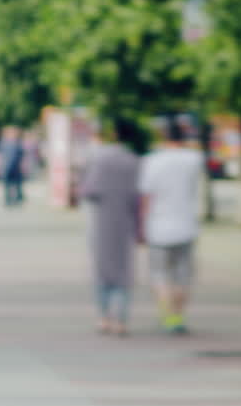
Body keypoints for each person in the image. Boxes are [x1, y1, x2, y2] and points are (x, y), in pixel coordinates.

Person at [138, 118, 204, 335]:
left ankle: (167, 314)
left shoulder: (152, 161)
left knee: (159, 274)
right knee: (183, 275)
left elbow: (146, 197)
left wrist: (141, 225)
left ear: (164, 136)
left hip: (158, 226)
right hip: (186, 225)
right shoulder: (194, 159)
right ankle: (178, 315)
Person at [80, 120, 143, 336]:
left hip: (102, 221)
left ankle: (104, 316)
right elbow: (139, 196)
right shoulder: (134, 162)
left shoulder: (101, 160)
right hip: (126, 221)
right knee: (124, 271)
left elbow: (88, 191)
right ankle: (121, 320)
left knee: (102, 270)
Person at [0, 126, 25, 206]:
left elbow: (21, 155)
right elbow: (0, 156)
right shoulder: (3, 143)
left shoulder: (18, 143)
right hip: (6, 166)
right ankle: (8, 199)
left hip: (15, 167)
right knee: (7, 184)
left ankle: (17, 199)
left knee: (16, 184)